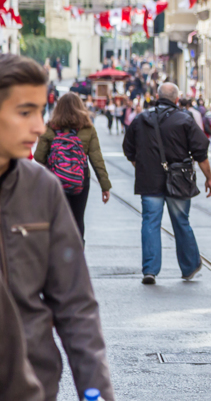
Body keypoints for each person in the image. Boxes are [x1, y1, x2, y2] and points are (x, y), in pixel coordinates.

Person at [0, 54, 115, 400]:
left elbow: (76, 306)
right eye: (25, 112)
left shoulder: (42, 188)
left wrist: (96, 393)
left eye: (40, 111)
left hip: (33, 385)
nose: (37, 126)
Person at [123, 82, 211, 285]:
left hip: (149, 180)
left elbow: (128, 149)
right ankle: (189, 267)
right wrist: (209, 177)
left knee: (150, 222)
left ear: (157, 96)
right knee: (181, 221)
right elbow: (201, 152)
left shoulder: (140, 119)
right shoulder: (184, 119)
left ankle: (150, 269)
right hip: (179, 181)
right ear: (176, 99)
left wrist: (142, 166)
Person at [33, 92, 112, 240]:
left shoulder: (49, 128)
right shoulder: (88, 128)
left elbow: (38, 156)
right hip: (80, 180)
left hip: (55, 180)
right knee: (78, 218)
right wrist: (105, 185)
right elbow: (96, 159)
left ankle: (58, 255)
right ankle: (77, 255)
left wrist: (54, 164)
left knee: (57, 219)